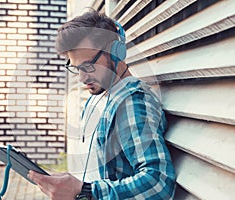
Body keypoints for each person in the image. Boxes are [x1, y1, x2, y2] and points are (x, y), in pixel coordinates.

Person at [28, 10, 176, 200]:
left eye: (88, 66)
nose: (82, 78)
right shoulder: (100, 95)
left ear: (116, 52)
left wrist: (87, 192)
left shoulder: (130, 102)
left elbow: (159, 182)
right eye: (76, 68)